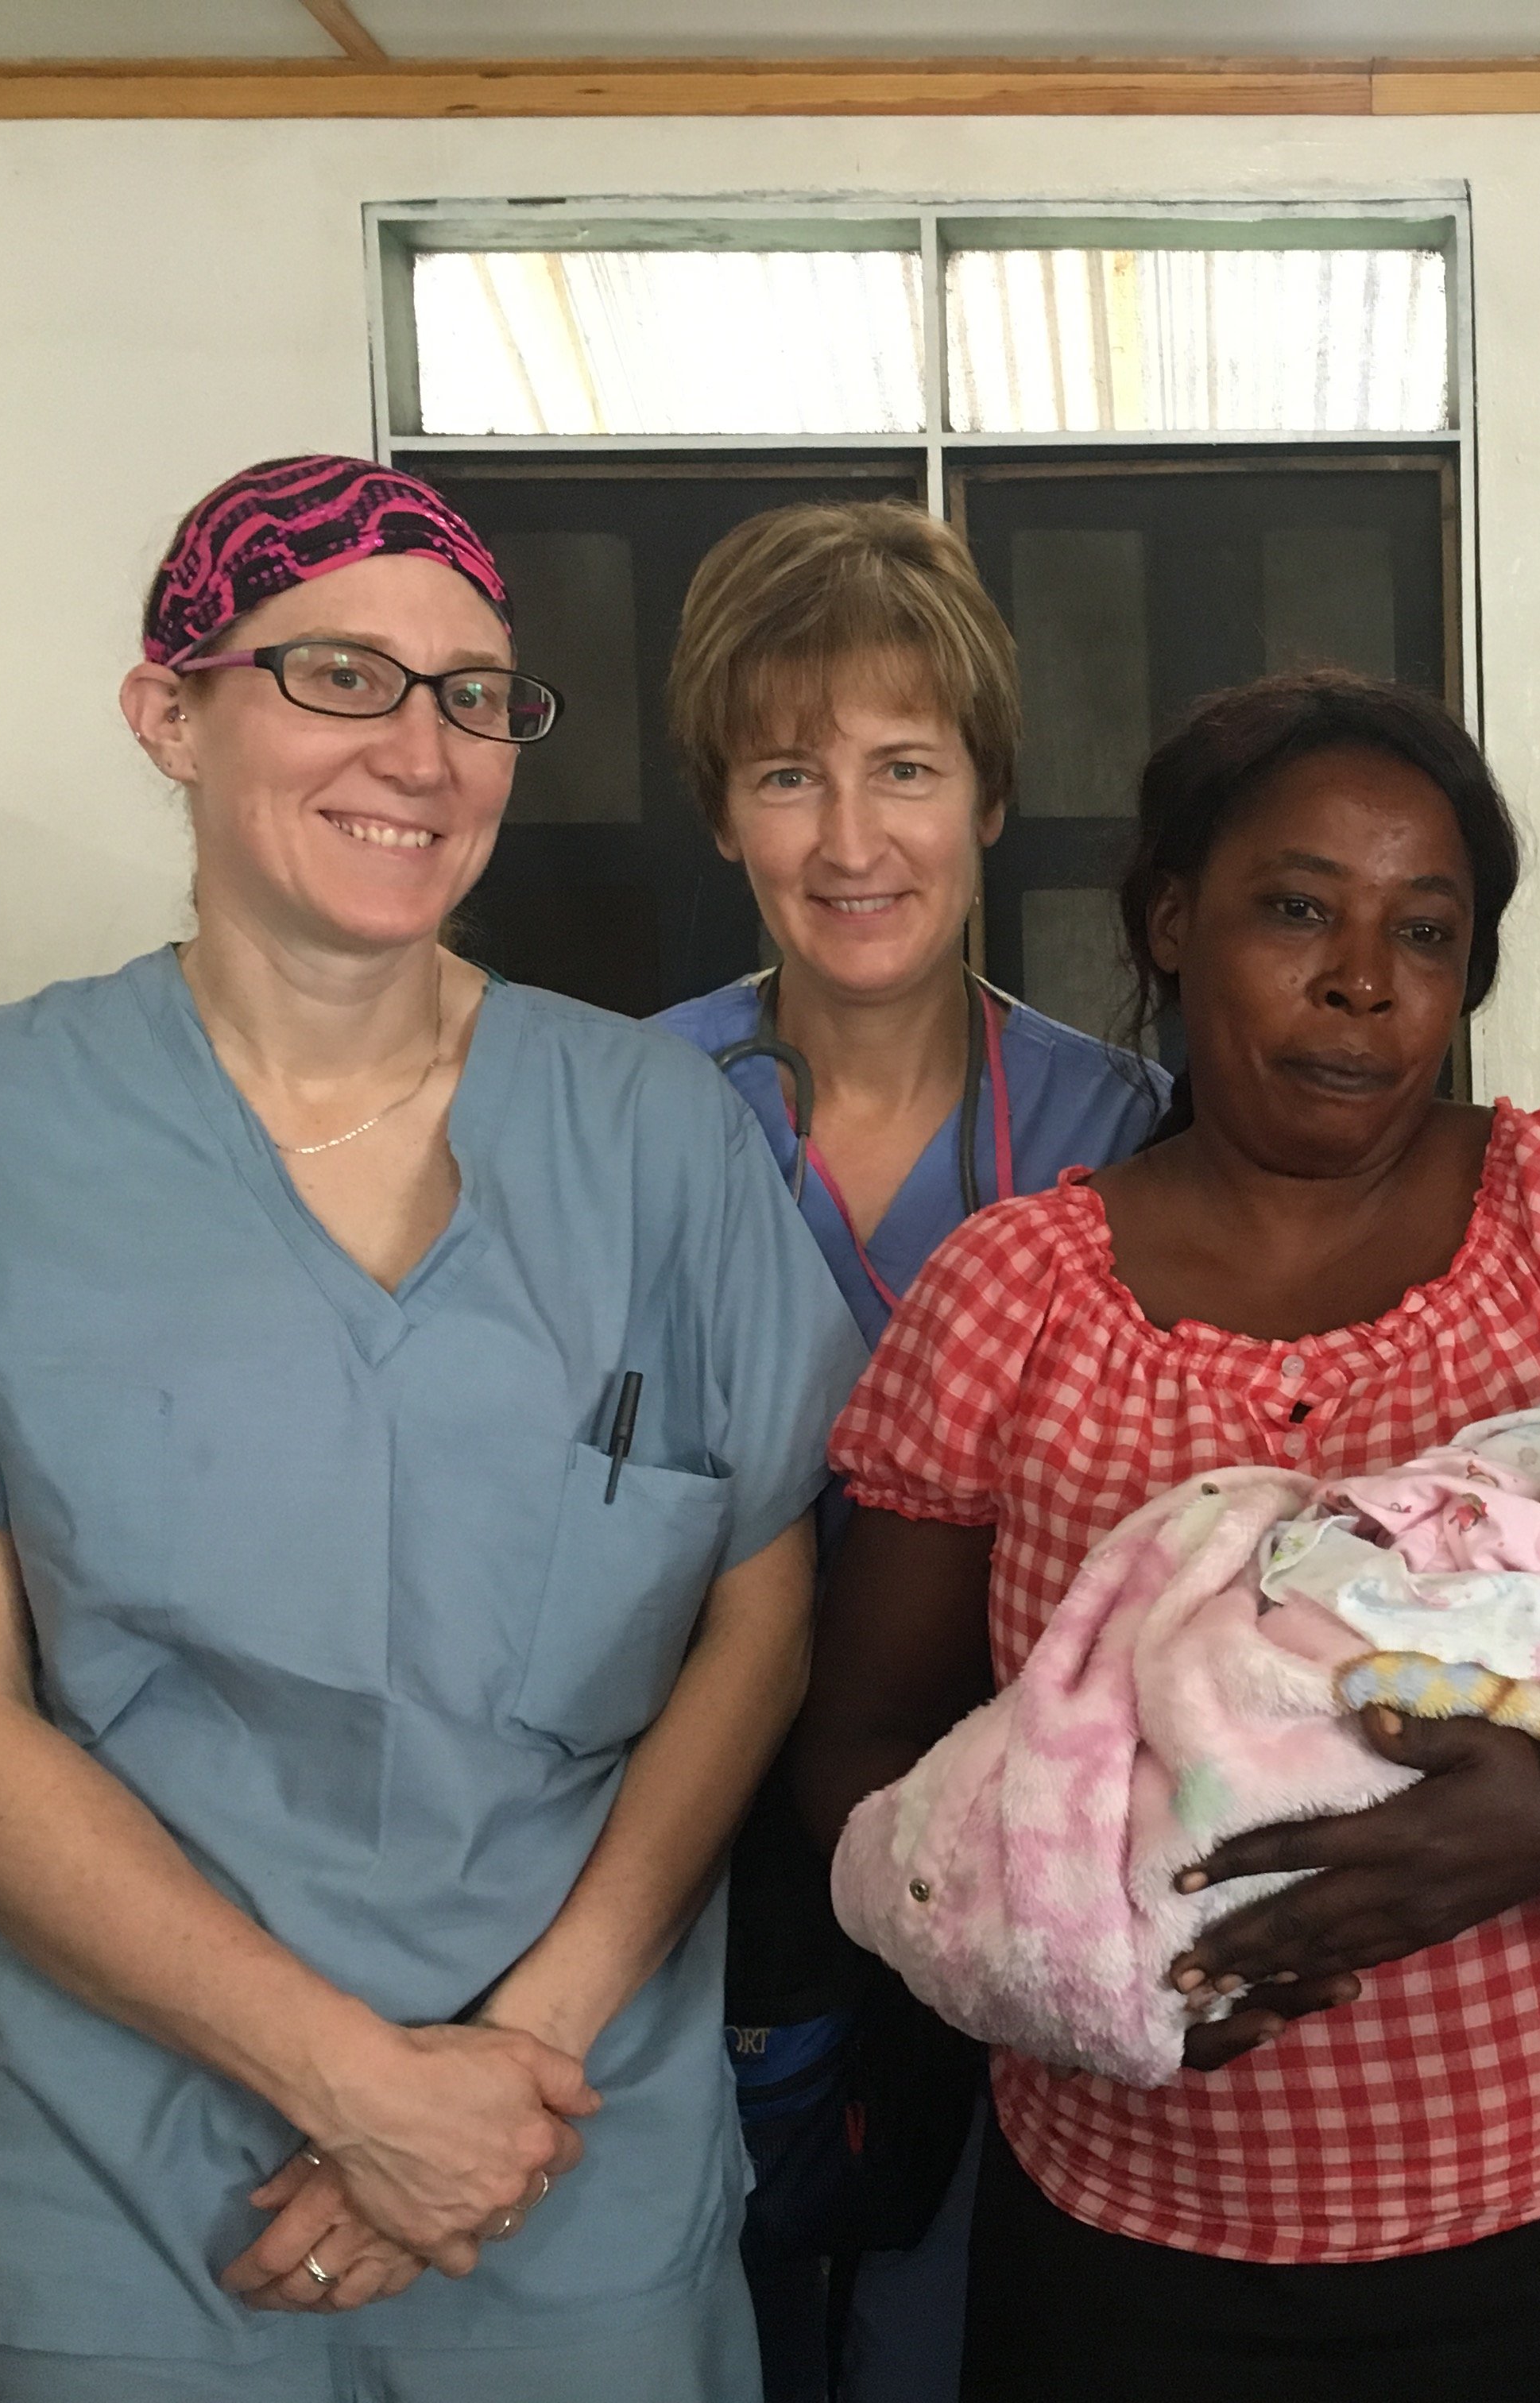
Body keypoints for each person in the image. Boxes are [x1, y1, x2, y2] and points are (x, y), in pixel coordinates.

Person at [0, 455, 861, 2401]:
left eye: (472, 692)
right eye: (338, 674)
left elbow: (760, 1621)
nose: (420, 752)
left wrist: (501, 2082)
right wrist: (359, 2089)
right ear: (169, 712)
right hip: (111, 2205)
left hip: (568, 2169)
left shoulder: (662, 1141)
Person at [793, 671, 1540, 2399]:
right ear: (1173, 918)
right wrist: (1049, 1963)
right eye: (1296, 910)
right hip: (1131, 2263)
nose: (1359, 981)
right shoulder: (1013, 1299)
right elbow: (867, 1753)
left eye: (1424, 931)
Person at [648, 502, 1165, 2403]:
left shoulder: (1129, 1138)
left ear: (990, 797)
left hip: (1025, 1892)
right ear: (723, 811)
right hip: (697, 1901)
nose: (851, 841)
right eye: (790, 775)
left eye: (904, 771)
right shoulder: (622, 1122)